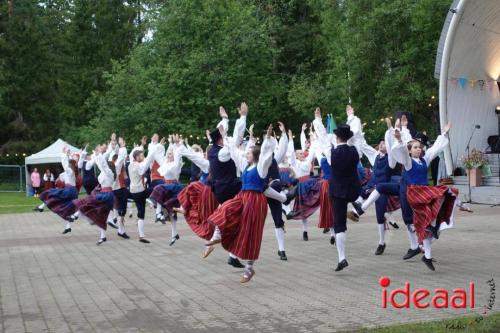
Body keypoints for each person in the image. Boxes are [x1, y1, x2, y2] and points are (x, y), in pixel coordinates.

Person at [208, 124, 276, 283]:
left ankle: (249, 268)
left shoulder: (261, 168)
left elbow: (266, 155)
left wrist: (267, 139)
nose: (246, 155)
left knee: (251, 233)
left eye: (249, 153)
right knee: (225, 207)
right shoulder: (246, 166)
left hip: (255, 201)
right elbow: (233, 151)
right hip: (243, 197)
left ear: (255, 156)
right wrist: (225, 136)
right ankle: (218, 234)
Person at [390, 122, 456, 271]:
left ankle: (427, 256)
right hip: (415, 194)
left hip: (424, 194)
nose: (418, 150)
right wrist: (399, 140)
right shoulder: (408, 162)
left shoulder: (424, 160)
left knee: (428, 226)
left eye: (420, 147)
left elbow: (435, 148)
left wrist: (444, 133)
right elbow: (401, 153)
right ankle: (426, 236)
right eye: (415, 147)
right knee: (442, 193)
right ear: (410, 150)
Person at [329, 124, 361, 272]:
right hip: (353, 189)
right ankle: (359, 206)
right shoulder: (354, 151)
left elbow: (323, 141)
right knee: (362, 195)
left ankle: (342, 257)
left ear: (337, 138)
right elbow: (356, 143)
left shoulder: (333, 152)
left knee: (339, 225)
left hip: (338, 191)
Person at [71, 145, 117, 245]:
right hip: (105, 195)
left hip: (106, 195)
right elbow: (101, 165)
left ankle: (76, 215)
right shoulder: (104, 173)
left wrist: (100, 153)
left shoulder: (109, 173)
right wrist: (96, 155)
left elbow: (103, 165)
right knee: (101, 216)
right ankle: (103, 237)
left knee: (86, 201)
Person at [35, 147, 79, 234]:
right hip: (72, 191)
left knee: (51, 193)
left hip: (69, 191)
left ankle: (41, 207)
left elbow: (65, 164)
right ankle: (68, 227)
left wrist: (63, 153)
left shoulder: (70, 170)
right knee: (67, 209)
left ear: (70, 164)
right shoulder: (69, 171)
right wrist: (67, 154)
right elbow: (62, 175)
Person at [128, 136, 159, 243]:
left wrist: (142, 146)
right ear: (137, 157)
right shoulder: (138, 166)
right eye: (141, 155)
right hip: (139, 192)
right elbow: (145, 165)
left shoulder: (130, 164)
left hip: (134, 191)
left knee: (141, 212)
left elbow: (136, 155)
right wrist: (154, 148)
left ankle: (141, 236)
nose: (143, 156)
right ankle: (156, 205)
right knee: (157, 186)